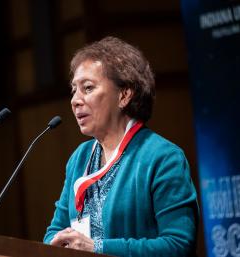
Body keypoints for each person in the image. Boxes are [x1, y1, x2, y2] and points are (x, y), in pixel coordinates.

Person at [43, 36, 198, 256]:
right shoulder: (80, 158)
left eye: (87, 88)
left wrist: (97, 248)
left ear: (124, 95)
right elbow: (54, 232)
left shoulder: (163, 157)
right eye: (73, 90)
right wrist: (55, 243)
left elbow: (178, 245)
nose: (75, 100)